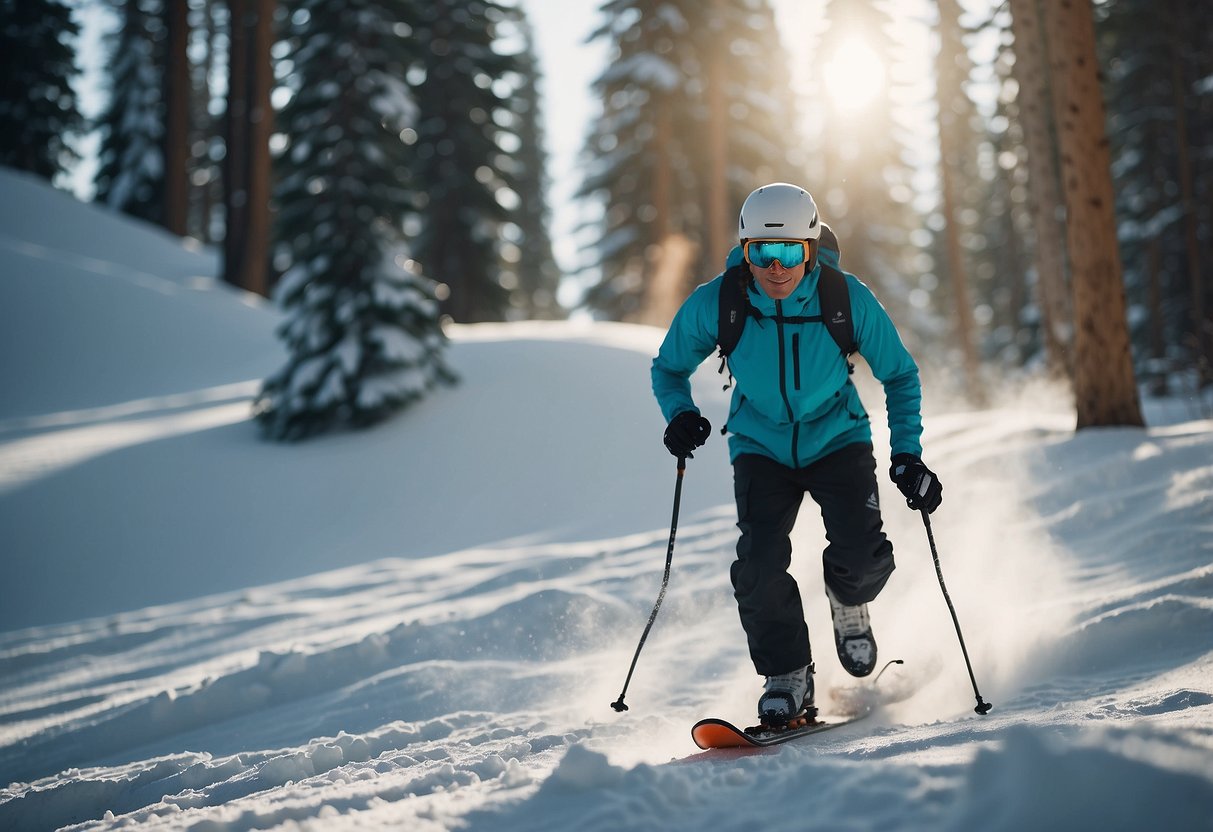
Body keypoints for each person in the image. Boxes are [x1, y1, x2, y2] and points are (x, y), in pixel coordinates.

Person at [651, 182, 943, 727]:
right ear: (745, 249)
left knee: (861, 555)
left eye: (789, 252)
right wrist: (680, 413)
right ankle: (789, 674)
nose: (776, 266)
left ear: (809, 249)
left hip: (837, 435)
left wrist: (908, 454)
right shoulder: (720, 302)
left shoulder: (845, 297)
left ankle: (847, 601)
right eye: (761, 251)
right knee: (757, 566)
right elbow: (667, 368)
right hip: (760, 445)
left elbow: (900, 375)